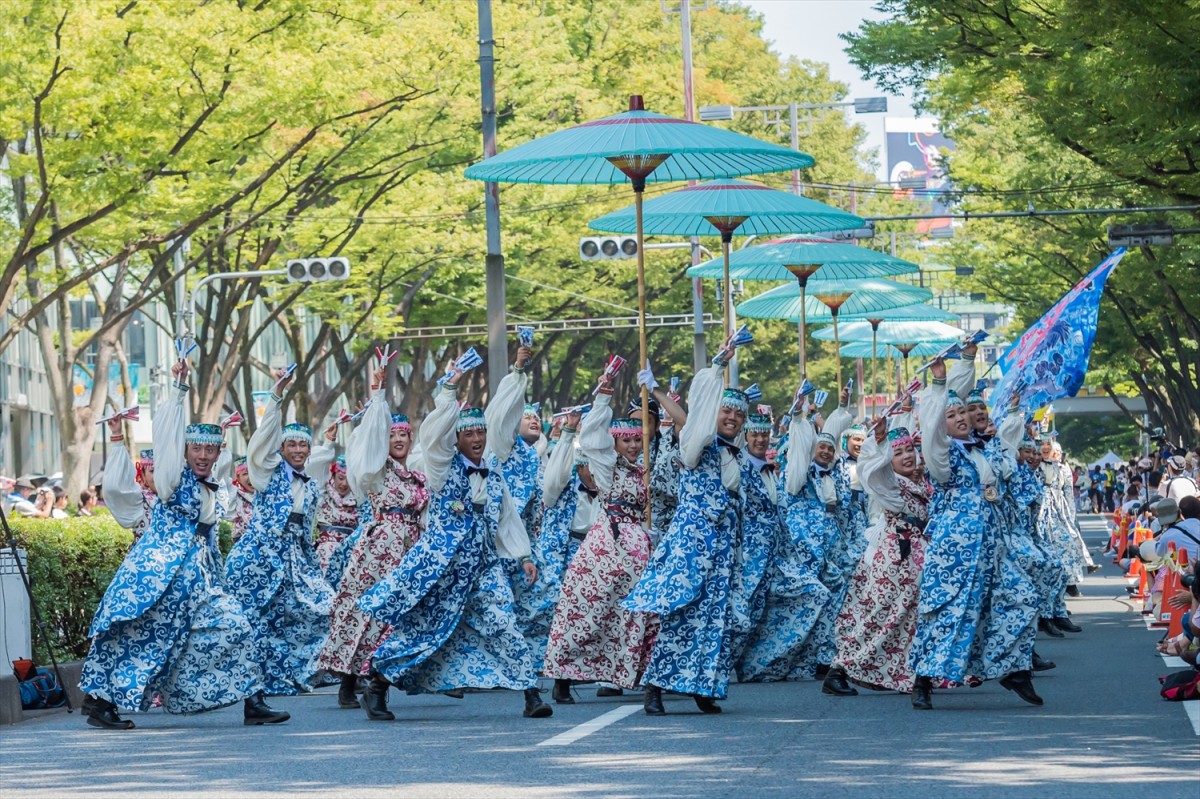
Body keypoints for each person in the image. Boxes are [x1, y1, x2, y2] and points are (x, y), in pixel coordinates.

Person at [80, 359, 284, 729]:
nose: (203, 456)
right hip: (162, 574)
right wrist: (179, 388)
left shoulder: (216, 486)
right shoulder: (173, 479)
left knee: (236, 625)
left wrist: (275, 398)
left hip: (202, 579)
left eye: (211, 450)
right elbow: (168, 435)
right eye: (197, 450)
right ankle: (98, 703)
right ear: (186, 452)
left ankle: (253, 701)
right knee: (139, 635)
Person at [357, 343, 552, 720]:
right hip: (442, 570)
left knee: (503, 622)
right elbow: (434, 435)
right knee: (423, 633)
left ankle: (531, 694)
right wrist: (448, 392)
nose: (477, 439)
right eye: (468, 434)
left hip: (482, 568)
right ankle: (377, 685)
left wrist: (524, 555)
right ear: (457, 440)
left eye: (480, 433)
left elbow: (507, 520)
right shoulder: (443, 471)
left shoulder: (494, 477)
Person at [908, 358, 1042, 711]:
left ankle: (1013, 668)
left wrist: (993, 437)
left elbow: (1007, 470)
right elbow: (932, 429)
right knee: (948, 609)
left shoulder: (984, 446)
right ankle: (923, 679)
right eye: (952, 416)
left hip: (993, 541)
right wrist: (939, 386)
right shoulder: (942, 454)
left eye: (962, 413)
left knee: (1021, 598)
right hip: (956, 544)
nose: (961, 418)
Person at [624, 333, 746, 715]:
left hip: (722, 542)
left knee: (715, 615)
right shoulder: (698, 443)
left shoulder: (733, 452)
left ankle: (703, 686)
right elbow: (688, 422)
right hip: (692, 540)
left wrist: (658, 390)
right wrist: (714, 370)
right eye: (726, 411)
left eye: (739, 415)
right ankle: (656, 688)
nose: (731, 417)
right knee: (680, 610)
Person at [318, 367, 429, 710]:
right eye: (392, 435)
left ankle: (379, 684)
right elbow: (368, 441)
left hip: (411, 548)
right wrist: (379, 395)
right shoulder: (375, 470)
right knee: (364, 612)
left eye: (404, 435)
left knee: (401, 616)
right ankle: (349, 682)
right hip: (379, 550)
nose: (398, 440)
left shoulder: (419, 474)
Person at [543, 374, 658, 703]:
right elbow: (593, 439)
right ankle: (563, 678)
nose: (634, 446)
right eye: (627, 441)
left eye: (638, 440)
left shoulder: (644, 469)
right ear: (616, 444)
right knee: (588, 612)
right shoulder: (608, 467)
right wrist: (604, 398)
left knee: (640, 613)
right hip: (607, 546)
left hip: (639, 546)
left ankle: (641, 678)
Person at [224, 369, 336, 696]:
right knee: (262, 616)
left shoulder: (312, 484)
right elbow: (261, 443)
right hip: (264, 554)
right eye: (292, 445)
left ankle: (305, 669)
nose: (299, 450)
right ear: (282, 448)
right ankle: (258, 677)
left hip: (298, 556)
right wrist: (276, 397)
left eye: (304, 444)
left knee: (323, 606)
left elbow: (308, 526)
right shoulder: (266, 473)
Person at [315, 454, 360, 585]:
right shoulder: (323, 495)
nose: (344, 484)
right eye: (340, 478)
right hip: (322, 553)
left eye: (349, 480)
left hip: (348, 555)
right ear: (333, 476)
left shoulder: (360, 502)